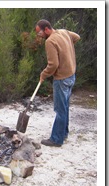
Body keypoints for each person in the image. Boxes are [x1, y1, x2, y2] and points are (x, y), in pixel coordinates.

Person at [35, 19, 80, 147]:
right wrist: (67, 48)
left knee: (60, 109)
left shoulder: (50, 41)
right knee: (65, 107)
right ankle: (64, 133)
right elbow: (77, 37)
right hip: (71, 76)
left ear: (47, 29)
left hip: (61, 79)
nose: (39, 36)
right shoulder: (64, 32)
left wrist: (43, 74)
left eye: (40, 33)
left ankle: (56, 139)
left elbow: (53, 65)